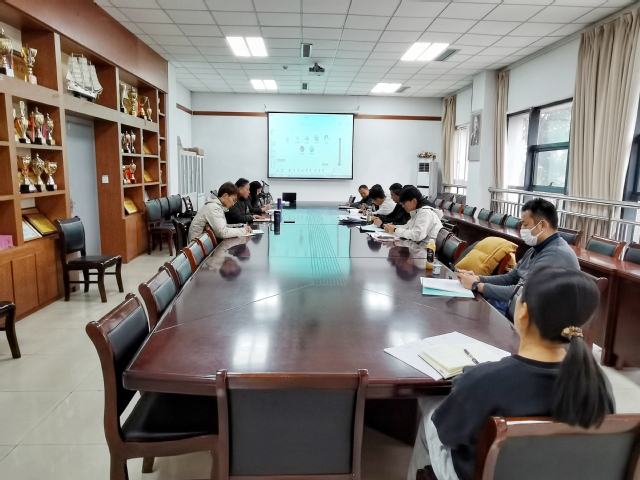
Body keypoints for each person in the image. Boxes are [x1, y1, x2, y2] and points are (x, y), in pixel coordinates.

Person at [407, 265, 615, 480]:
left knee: (431, 407)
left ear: (523, 312)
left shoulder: (484, 381)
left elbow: (447, 434)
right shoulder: (598, 384)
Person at [457, 198, 579, 313]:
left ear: (542, 225)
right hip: (519, 307)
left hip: (539, 317)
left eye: (525, 225)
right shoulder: (535, 249)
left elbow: (523, 293)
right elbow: (508, 279)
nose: (522, 229)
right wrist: (478, 278)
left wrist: (476, 286)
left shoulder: (556, 255)